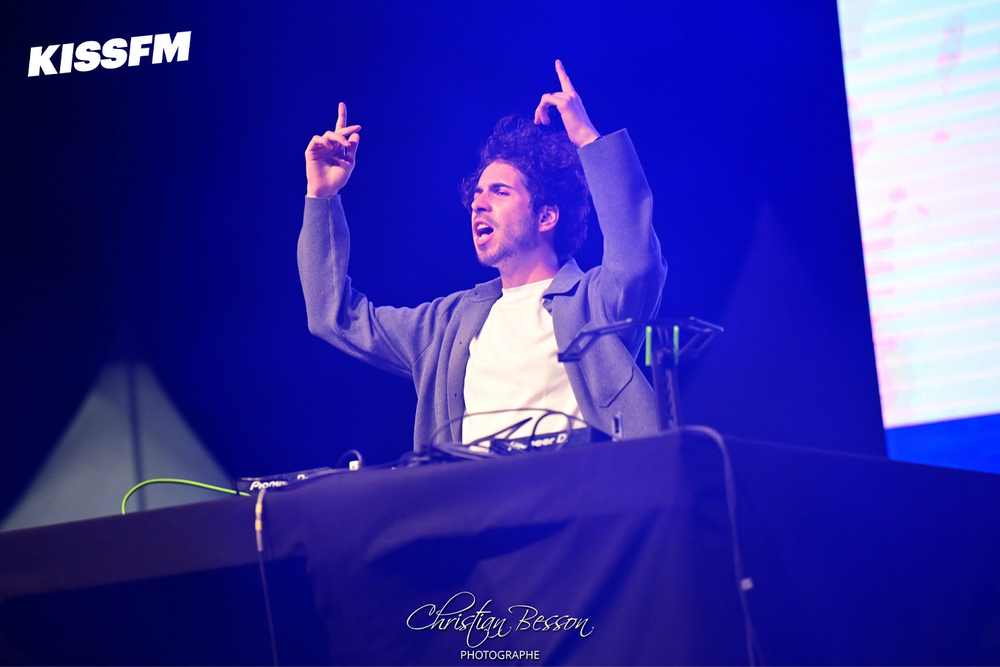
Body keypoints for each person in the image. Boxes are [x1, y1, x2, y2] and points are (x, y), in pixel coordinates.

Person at [298, 60, 666, 452]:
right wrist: (322, 196)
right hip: (479, 490)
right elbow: (334, 318)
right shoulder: (447, 324)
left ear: (546, 217)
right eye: (477, 195)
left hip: (579, 485)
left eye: (500, 192)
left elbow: (637, 262)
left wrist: (587, 140)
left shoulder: (592, 302)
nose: (479, 204)